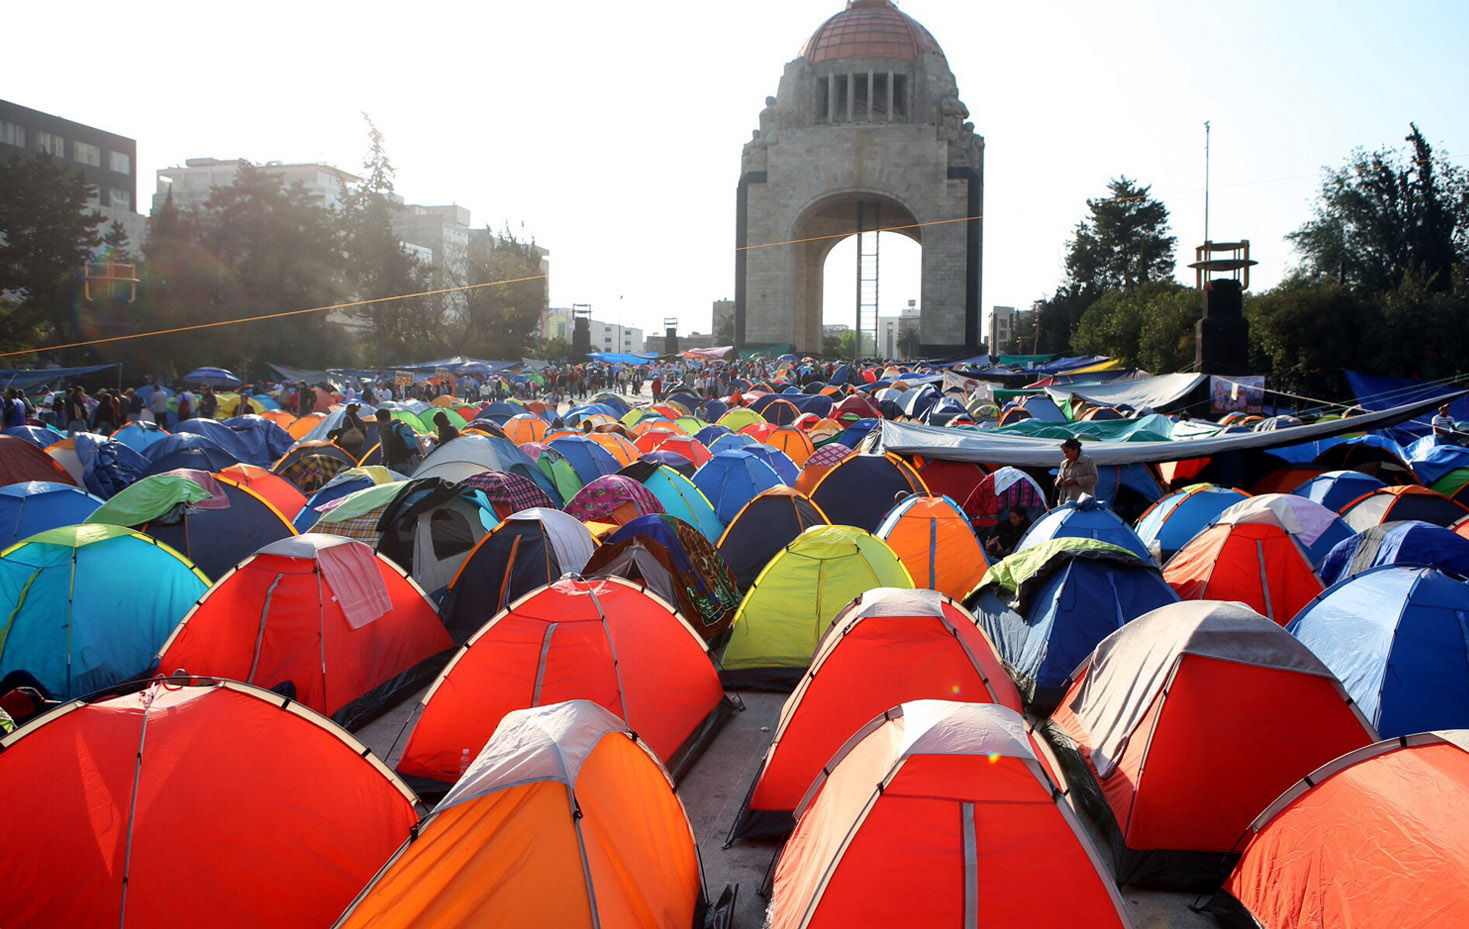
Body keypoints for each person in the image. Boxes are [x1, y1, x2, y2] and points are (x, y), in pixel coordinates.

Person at [1055, 437, 1098, 505]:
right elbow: (1060, 476)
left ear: (1075, 450)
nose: (1065, 455)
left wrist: (1075, 480)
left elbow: (1094, 479)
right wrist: (1059, 480)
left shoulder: (1087, 461)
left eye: (1067, 452)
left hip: (1083, 503)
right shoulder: (1063, 464)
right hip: (1065, 502)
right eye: (1064, 452)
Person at [377, 408, 416, 472]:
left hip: (394, 463)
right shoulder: (399, 425)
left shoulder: (384, 429)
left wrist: (383, 464)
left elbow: (386, 449)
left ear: (378, 419)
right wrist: (418, 454)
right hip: (406, 460)